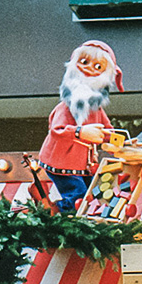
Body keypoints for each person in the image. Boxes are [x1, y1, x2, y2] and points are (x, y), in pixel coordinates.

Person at [38, 41, 124, 213]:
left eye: (98, 66)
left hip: (85, 164)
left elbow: (107, 130)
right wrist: (81, 132)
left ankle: (84, 220)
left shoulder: (95, 108)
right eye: (84, 62)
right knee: (78, 197)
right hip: (62, 162)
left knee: (92, 194)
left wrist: (120, 142)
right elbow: (57, 130)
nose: (90, 69)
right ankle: (52, 213)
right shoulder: (65, 107)